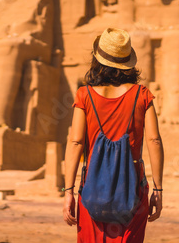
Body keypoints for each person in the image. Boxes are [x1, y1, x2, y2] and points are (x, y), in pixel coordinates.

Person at [63, 27, 164, 242]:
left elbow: (76, 142)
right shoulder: (142, 95)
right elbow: (154, 140)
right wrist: (158, 189)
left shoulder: (84, 95)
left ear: (97, 60)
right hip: (132, 189)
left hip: (92, 187)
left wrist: (68, 191)